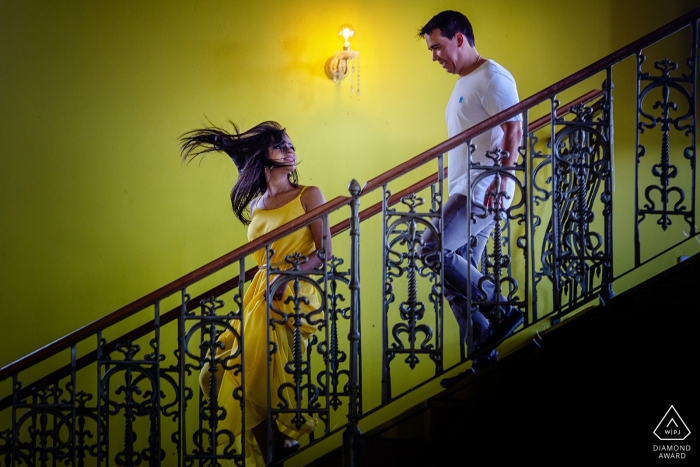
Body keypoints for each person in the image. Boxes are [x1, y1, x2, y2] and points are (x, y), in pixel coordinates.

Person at [180, 121, 331, 465]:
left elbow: (324, 253)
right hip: (260, 291)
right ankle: (274, 443)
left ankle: (275, 444)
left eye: (291, 145)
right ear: (264, 157)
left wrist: (283, 278)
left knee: (250, 373)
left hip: (293, 288)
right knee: (212, 375)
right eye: (281, 146)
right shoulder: (256, 205)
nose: (290, 151)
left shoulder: (309, 194)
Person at [417, 11, 525, 360]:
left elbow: (514, 130)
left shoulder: (492, 76)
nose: (435, 57)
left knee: (432, 248)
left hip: (480, 190)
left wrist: (502, 181)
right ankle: (482, 354)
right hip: (467, 187)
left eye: (437, 47)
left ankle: (501, 307)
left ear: (459, 38)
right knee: (455, 280)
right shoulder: (465, 83)